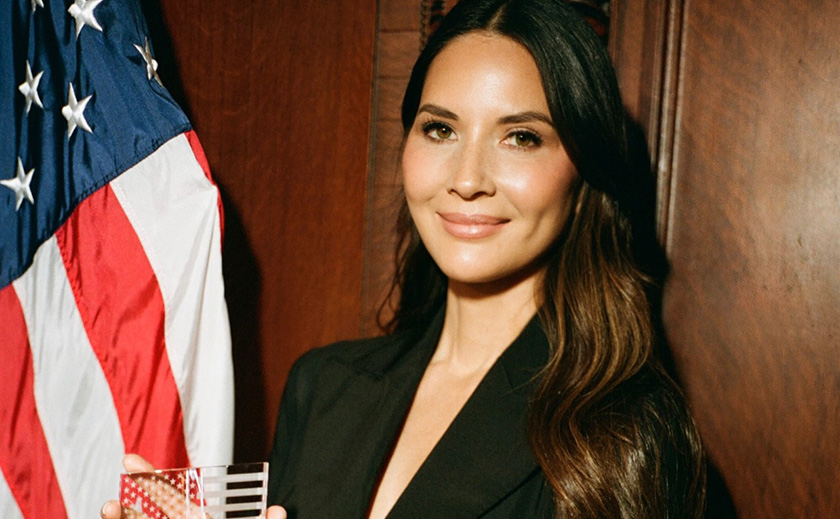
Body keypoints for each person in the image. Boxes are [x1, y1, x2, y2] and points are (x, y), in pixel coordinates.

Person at [103, 0, 705, 518]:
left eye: (521, 137)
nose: (467, 180)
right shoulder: (325, 388)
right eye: (440, 129)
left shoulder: (628, 431)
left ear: (583, 173)